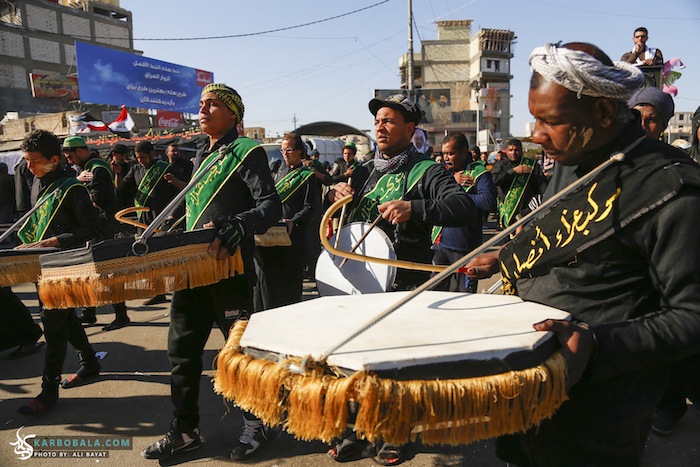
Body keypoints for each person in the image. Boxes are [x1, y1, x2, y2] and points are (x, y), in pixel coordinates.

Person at [464, 41, 700, 467]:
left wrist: (597, 345)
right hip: (530, 378)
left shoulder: (672, 188)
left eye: (550, 121)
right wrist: (506, 256)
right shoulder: (574, 155)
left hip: (600, 403)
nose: (535, 136)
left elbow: (692, 315)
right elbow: (560, 237)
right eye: (534, 119)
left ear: (604, 114)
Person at [326, 94, 477, 465]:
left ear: (410, 129)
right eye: (377, 120)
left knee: (394, 364)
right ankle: (359, 429)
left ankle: (395, 432)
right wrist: (335, 194)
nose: (380, 126)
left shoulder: (426, 170)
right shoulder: (362, 171)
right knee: (356, 359)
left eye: (389, 120)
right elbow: (340, 221)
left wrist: (415, 208)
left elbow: (464, 207)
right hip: (359, 281)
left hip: (404, 282)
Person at [141, 84, 281, 461]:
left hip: (228, 270)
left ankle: (257, 424)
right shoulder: (202, 154)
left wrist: (240, 222)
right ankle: (184, 431)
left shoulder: (246, 152)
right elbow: (197, 213)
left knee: (239, 355)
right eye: (201, 104)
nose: (202, 109)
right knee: (182, 353)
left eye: (212, 104)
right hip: (191, 271)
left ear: (233, 113)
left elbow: (270, 206)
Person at [15, 130, 102, 414]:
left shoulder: (72, 188)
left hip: (66, 266)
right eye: (27, 161)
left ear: (55, 159)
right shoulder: (36, 183)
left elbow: (91, 228)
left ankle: (48, 390)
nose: (29, 167)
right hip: (43, 266)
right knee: (66, 321)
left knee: (52, 326)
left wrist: (57, 241)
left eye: (35, 161)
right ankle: (90, 362)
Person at [62, 136, 129, 331]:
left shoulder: (96, 169)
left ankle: (121, 315)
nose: (69, 161)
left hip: (102, 229)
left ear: (81, 152)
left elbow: (96, 200)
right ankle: (89, 313)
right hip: (97, 228)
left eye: (70, 156)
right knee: (92, 272)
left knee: (109, 273)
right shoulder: (92, 167)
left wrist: (76, 186)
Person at [254, 133, 320, 310]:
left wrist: (293, 221)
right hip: (273, 235)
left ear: (300, 151)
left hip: (294, 236)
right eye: (282, 150)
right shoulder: (277, 173)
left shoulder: (307, 176)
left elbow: (310, 207)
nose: (285, 153)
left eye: (289, 150)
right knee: (272, 283)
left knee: (291, 284)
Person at [113, 140, 180, 306]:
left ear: (151, 154)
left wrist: (172, 216)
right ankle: (158, 291)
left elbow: (179, 194)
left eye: (143, 157)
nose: (140, 161)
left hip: (162, 218)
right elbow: (122, 187)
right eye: (137, 158)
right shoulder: (135, 169)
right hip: (143, 220)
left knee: (166, 256)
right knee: (148, 256)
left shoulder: (166, 168)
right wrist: (117, 174)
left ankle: (178, 289)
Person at [432, 132, 496, 293]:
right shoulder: (444, 172)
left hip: (465, 246)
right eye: (444, 153)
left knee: (465, 296)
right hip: (440, 244)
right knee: (433, 293)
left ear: (464, 151)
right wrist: (453, 181)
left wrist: (460, 195)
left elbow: (488, 202)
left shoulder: (480, 172)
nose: (446, 158)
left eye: (451, 153)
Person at [490, 138, 548, 228]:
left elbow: (542, 187)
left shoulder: (531, 165)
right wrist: (514, 171)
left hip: (526, 213)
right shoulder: (500, 165)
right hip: (508, 213)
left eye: (516, 150)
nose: (513, 153)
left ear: (521, 151)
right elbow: (494, 180)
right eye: (510, 150)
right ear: (507, 151)